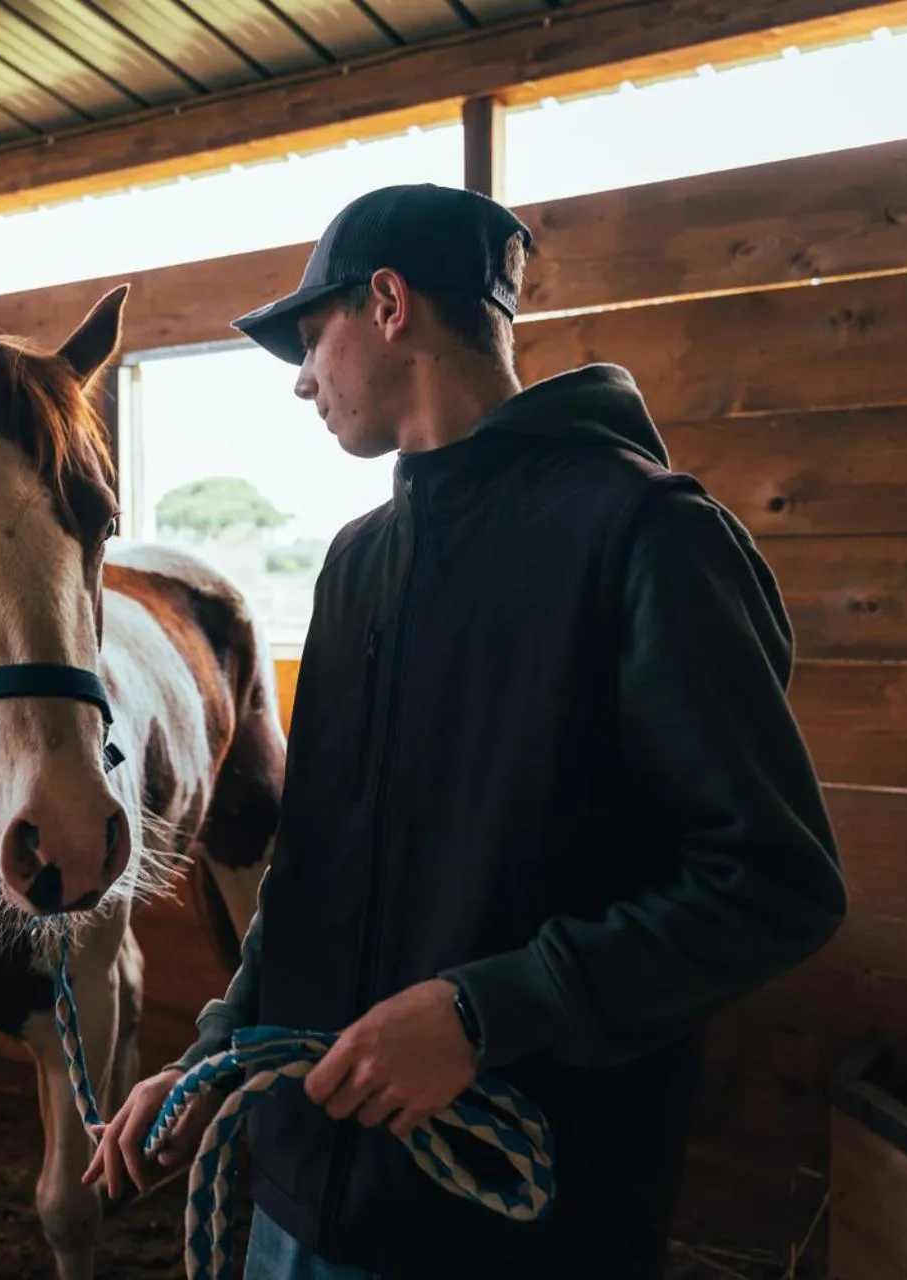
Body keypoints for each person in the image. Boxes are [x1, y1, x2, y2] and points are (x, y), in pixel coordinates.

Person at [81, 183, 848, 1279]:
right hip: (297, 1197)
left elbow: (773, 883)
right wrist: (211, 1064)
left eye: (310, 338)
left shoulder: (650, 539)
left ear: (388, 303)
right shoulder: (355, 565)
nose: (302, 380)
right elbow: (309, 882)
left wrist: (483, 1014)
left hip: (506, 1226)